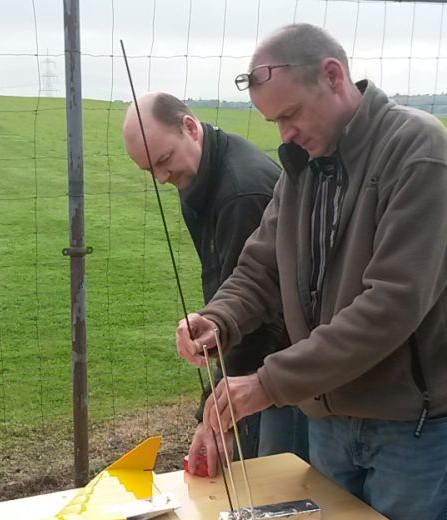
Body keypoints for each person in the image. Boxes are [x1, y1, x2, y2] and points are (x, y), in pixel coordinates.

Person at [175, 24, 447, 520]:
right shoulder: (304, 164)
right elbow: (263, 264)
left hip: (408, 424)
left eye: (290, 114)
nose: (285, 134)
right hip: (329, 419)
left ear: (334, 76)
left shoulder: (418, 150)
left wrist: (268, 383)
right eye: (274, 122)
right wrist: (220, 318)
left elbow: (391, 304)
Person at [121, 92, 308, 476]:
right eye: (149, 170)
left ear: (190, 128)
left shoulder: (240, 193)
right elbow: (227, 288)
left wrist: (216, 417)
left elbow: (257, 315)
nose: (161, 177)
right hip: (258, 365)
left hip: (283, 370)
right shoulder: (200, 173)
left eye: (164, 160)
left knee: (275, 485)